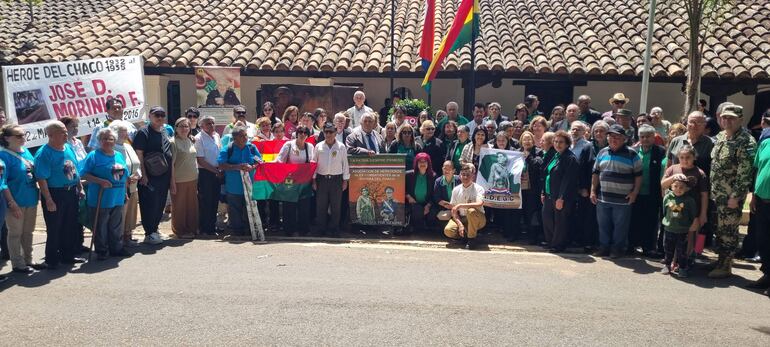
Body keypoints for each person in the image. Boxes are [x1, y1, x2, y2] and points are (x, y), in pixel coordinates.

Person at [708, 104, 756, 278]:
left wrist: (736, 196)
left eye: (731, 118)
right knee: (719, 229)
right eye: (724, 117)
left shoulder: (746, 141)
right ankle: (721, 260)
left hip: (731, 196)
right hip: (717, 194)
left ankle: (726, 265)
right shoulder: (721, 136)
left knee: (729, 231)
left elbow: (745, 173)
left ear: (740, 120)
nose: (726, 121)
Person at [34, 121, 85, 268]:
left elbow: (75, 170)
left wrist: (79, 187)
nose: (66, 134)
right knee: (55, 227)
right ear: (50, 135)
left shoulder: (68, 147)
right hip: (55, 193)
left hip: (71, 192)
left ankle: (67, 256)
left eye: (65, 131)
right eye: (62, 132)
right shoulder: (44, 153)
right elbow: (41, 178)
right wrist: (48, 199)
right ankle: (52, 259)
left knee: (70, 225)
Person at [591, 124, 642, 258]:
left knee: (620, 227)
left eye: (617, 137)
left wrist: (635, 193)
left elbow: (639, 176)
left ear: (624, 139)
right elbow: (595, 173)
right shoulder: (602, 152)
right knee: (603, 225)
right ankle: (604, 248)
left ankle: (617, 249)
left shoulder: (632, 154)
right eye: (611, 136)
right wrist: (592, 190)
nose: (614, 139)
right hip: (603, 198)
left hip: (623, 199)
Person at [80, 128, 132, 260]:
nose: (108, 141)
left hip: (117, 196)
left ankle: (116, 248)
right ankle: (102, 250)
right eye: (105, 139)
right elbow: (83, 174)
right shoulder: (93, 156)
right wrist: (100, 181)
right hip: (100, 197)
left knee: (116, 224)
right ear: (99, 140)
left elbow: (123, 175)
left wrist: (125, 191)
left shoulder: (118, 155)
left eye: (111, 139)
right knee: (101, 225)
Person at [0, 125, 42, 273]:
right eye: (18, 135)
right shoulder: (3, 155)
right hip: (15, 201)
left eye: (24, 135)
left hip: (30, 198)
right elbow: (3, 183)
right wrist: (12, 203)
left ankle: (29, 259)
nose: (23, 138)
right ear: (7, 138)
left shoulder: (26, 153)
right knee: (15, 233)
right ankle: (18, 263)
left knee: (28, 232)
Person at [133, 106, 173, 245]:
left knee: (159, 204)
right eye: (157, 115)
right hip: (149, 176)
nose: (160, 117)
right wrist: (143, 175)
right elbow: (139, 154)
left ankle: (154, 229)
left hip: (163, 175)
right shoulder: (143, 132)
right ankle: (149, 233)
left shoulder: (164, 131)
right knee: (149, 204)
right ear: (150, 116)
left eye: (162, 115)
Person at [661, 145, 709, 258]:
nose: (684, 160)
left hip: (692, 213)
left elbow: (704, 195)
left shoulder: (699, 173)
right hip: (673, 213)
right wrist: (673, 178)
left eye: (688, 157)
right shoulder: (672, 169)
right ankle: (671, 261)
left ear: (694, 158)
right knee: (672, 238)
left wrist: (702, 214)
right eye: (682, 157)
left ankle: (686, 262)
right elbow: (663, 184)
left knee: (689, 239)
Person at [629, 124, 666, 256]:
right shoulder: (632, 150)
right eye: (642, 136)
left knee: (650, 221)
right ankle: (632, 246)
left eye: (648, 136)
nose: (645, 139)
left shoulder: (661, 151)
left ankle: (648, 247)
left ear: (654, 136)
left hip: (652, 193)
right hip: (634, 193)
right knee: (634, 220)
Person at [218, 126, 262, 236]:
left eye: (246, 135)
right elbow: (221, 164)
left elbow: (259, 161)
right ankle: (237, 232)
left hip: (250, 185)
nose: (245, 138)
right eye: (242, 136)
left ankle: (250, 230)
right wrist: (237, 167)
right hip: (234, 187)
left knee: (250, 209)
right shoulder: (228, 149)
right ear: (235, 138)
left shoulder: (251, 147)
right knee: (235, 209)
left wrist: (252, 167)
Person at [541, 131, 578, 252]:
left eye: (561, 142)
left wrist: (561, 198)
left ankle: (558, 244)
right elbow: (547, 174)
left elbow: (568, 180)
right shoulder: (555, 155)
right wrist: (543, 192)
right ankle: (551, 241)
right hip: (548, 194)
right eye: (556, 141)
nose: (558, 144)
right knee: (547, 218)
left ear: (567, 144)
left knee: (560, 221)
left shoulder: (570, 158)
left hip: (561, 197)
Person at [276, 125, 315, 236]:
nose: (302, 134)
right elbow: (280, 160)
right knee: (289, 206)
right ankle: (289, 230)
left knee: (304, 206)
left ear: (307, 135)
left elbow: (312, 161)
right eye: (300, 132)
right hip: (290, 180)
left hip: (304, 181)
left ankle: (304, 230)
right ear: (296, 133)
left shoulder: (310, 146)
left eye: (305, 132)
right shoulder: (288, 145)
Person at [314, 123, 350, 237]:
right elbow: (314, 163)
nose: (328, 134)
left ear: (335, 133)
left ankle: (334, 229)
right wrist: (313, 180)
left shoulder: (341, 146)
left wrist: (345, 180)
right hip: (321, 179)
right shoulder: (318, 146)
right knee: (321, 206)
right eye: (326, 132)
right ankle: (321, 229)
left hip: (336, 180)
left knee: (336, 206)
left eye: (331, 132)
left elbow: (345, 164)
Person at [110, 121, 142, 246]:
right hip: (121, 187)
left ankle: (128, 236)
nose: (124, 134)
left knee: (131, 212)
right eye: (121, 132)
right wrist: (126, 178)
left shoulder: (128, 146)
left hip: (133, 185)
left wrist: (138, 174)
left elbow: (136, 162)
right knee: (121, 214)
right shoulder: (112, 148)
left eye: (125, 131)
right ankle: (119, 239)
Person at [660, 177, 699, 278]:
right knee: (668, 249)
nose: (678, 189)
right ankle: (667, 265)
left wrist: (690, 225)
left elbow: (693, 214)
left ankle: (682, 267)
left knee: (682, 251)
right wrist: (667, 221)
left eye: (681, 187)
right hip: (669, 229)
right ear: (671, 186)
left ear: (686, 188)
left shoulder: (689, 200)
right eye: (675, 186)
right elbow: (664, 211)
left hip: (683, 230)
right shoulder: (668, 198)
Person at [444, 163, 486, 249]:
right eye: (463, 174)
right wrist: (460, 224)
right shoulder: (456, 190)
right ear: (459, 176)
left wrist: (460, 205)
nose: (465, 177)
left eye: (468, 175)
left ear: (473, 176)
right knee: (448, 231)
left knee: (471, 211)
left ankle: (471, 239)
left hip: (478, 218)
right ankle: (464, 235)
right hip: (462, 217)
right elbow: (453, 210)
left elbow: (480, 203)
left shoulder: (479, 188)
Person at [570, 121, 597, 252]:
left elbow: (588, 168)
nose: (575, 132)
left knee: (583, 214)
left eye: (578, 130)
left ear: (584, 132)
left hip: (581, 186)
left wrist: (585, 187)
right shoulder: (567, 144)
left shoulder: (587, 146)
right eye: (573, 129)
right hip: (569, 185)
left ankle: (583, 241)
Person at [170, 117, 199, 238]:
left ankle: (191, 228)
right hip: (179, 180)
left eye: (186, 126)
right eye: (181, 126)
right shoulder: (172, 142)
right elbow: (171, 164)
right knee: (179, 206)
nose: (184, 129)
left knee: (191, 205)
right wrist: (172, 183)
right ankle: (180, 231)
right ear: (176, 128)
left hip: (192, 179)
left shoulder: (190, 140)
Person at [748, 137, 770, 296]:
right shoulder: (765, 143)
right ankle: (768, 274)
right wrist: (754, 195)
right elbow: (758, 169)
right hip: (761, 200)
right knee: (762, 240)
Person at [194, 116, 221, 236]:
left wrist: (219, 170)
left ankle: (212, 225)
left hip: (217, 172)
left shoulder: (216, 136)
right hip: (205, 173)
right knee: (206, 201)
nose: (211, 125)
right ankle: (205, 228)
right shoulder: (199, 138)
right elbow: (200, 160)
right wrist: (215, 171)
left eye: (213, 123)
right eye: (208, 123)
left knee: (215, 200)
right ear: (202, 126)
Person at [519, 131, 544, 244]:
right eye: (524, 139)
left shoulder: (539, 153)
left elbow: (538, 165)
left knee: (532, 213)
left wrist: (528, 157)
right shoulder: (517, 153)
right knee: (522, 212)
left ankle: (533, 237)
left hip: (533, 189)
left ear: (533, 141)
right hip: (520, 189)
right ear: (521, 141)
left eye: (529, 139)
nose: (527, 141)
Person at [405, 153, 436, 233]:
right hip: (413, 203)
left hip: (427, 203)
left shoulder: (433, 176)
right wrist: (408, 196)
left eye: (424, 162)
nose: (422, 164)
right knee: (417, 211)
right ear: (416, 163)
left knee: (433, 213)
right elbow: (401, 187)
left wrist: (428, 205)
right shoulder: (409, 175)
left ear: (428, 163)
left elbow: (435, 194)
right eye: (420, 162)